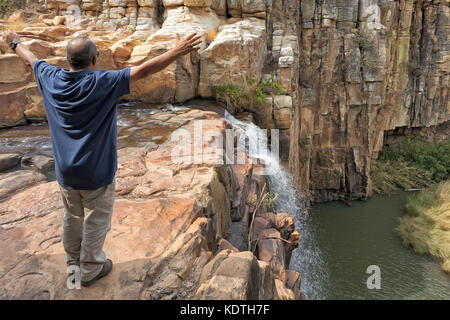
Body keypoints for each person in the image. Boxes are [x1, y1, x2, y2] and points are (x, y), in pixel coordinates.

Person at [0, 30, 202, 287]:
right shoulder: (103, 82)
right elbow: (141, 71)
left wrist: (14, 42)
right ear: (95, 59)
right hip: (97, 173)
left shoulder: (50, 77)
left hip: (65, 172)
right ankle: (91, 268)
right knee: (95, 219)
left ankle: (73, 264)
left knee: (72, 217)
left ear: (68, 60)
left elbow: (30, 59)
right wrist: (177, 51)